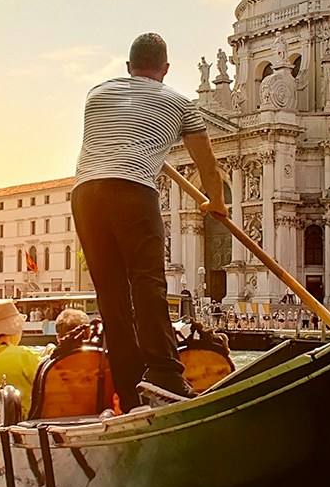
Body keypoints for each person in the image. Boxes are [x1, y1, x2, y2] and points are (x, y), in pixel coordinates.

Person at [73, 32, 226, 408]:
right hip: (133, 189)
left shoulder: (97, 92)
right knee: (148, 286)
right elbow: (208, 166)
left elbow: (118, 134)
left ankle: (128, 390)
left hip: (86, 193)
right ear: (166, 69)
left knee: (111, 297)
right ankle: (164, 374)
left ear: (128, 67)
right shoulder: (180, 103)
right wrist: (217, 204)